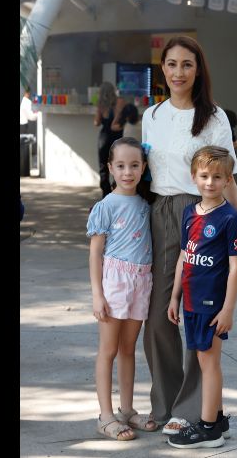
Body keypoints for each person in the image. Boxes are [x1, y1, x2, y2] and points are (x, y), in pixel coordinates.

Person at [141, 35, 237, 438]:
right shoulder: (151, 114)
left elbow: (228, 175)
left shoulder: (214, 117)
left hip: (204, 213)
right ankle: (165, 400)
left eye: (187, 64)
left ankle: (190, 409)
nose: (178, 72)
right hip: (161, 211)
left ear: (198, 69)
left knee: (198, 314)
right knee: (158, 317)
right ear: (163, 69)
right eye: (171, 64)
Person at [165, 146, 237, 449]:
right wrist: (174, 297)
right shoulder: (189, 213)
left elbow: (236, 268)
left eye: (217, 177)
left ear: (227, 181)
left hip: (212, 305)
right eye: (204, 176)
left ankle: (209, 428)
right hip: (190, 302)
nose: (210, 182)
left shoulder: (230, 218)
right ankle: (219, 418)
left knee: (208, 364)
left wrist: (228, 310)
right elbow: (185, 256)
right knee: (205, 361)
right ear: (194, 177)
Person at [87, 137, 159, 441]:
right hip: (115, 282)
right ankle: (106, 417)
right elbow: (95, 253)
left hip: (141, 282)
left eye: (134, 165)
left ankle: (127, 410)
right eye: (120, 166)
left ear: (143, 167)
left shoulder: (146, 205)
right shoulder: (105, 206)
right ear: (110, 168)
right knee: (109, 350)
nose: (127, 172)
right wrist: (97, 294)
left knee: (129, 349)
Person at [94, 82, 126, 198]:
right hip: (117, 138)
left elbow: (97, 122)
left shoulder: (101, 105)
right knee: (119, 165)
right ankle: (118, 192)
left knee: (104, 167)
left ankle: (105, 194)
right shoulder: (120, 102)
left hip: (104, 138)